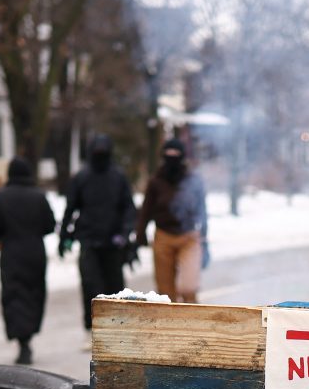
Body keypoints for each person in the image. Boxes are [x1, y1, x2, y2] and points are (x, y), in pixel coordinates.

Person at [62, 133, 138, 348]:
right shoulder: (82, 177)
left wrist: (124, 234)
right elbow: (70, 208)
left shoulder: (118, 177)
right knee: (90, 286)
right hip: (88, 242)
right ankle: (91, 330)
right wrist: (64, 236)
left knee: (115, 288)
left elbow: (129, 209)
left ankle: (117, 330)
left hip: (113, 244)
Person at [0, 156, 57, 365]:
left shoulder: (0, 197)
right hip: (35, 252)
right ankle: (29, 334)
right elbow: (50, 225)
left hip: (12, 254)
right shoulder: (39, 196)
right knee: (34, 294)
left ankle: (22, 342)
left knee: (14, 295)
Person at [135, 137, 208, 303]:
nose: (172, 158)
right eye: (168, 154)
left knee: (188, 287)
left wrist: (204, 239)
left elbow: (202, 211)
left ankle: (193, 325)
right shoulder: (155, 182)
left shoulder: (193, 180)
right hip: (163, 237)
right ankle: (171, 326)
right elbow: (146, 210)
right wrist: (140, 234)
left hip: (189, 237)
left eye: (176, 154)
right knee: (165, 293)